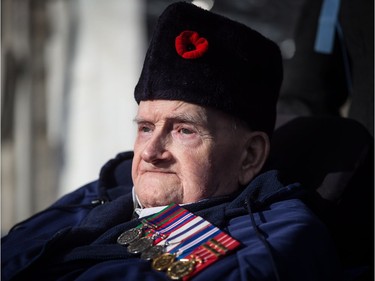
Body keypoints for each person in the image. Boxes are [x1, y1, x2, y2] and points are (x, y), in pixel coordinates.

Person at [1, 2, 342, 280]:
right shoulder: (100, 192)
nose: (150, 152)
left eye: (184, 130)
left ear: (249, 156)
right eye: (146, 127)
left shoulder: (271, 244)